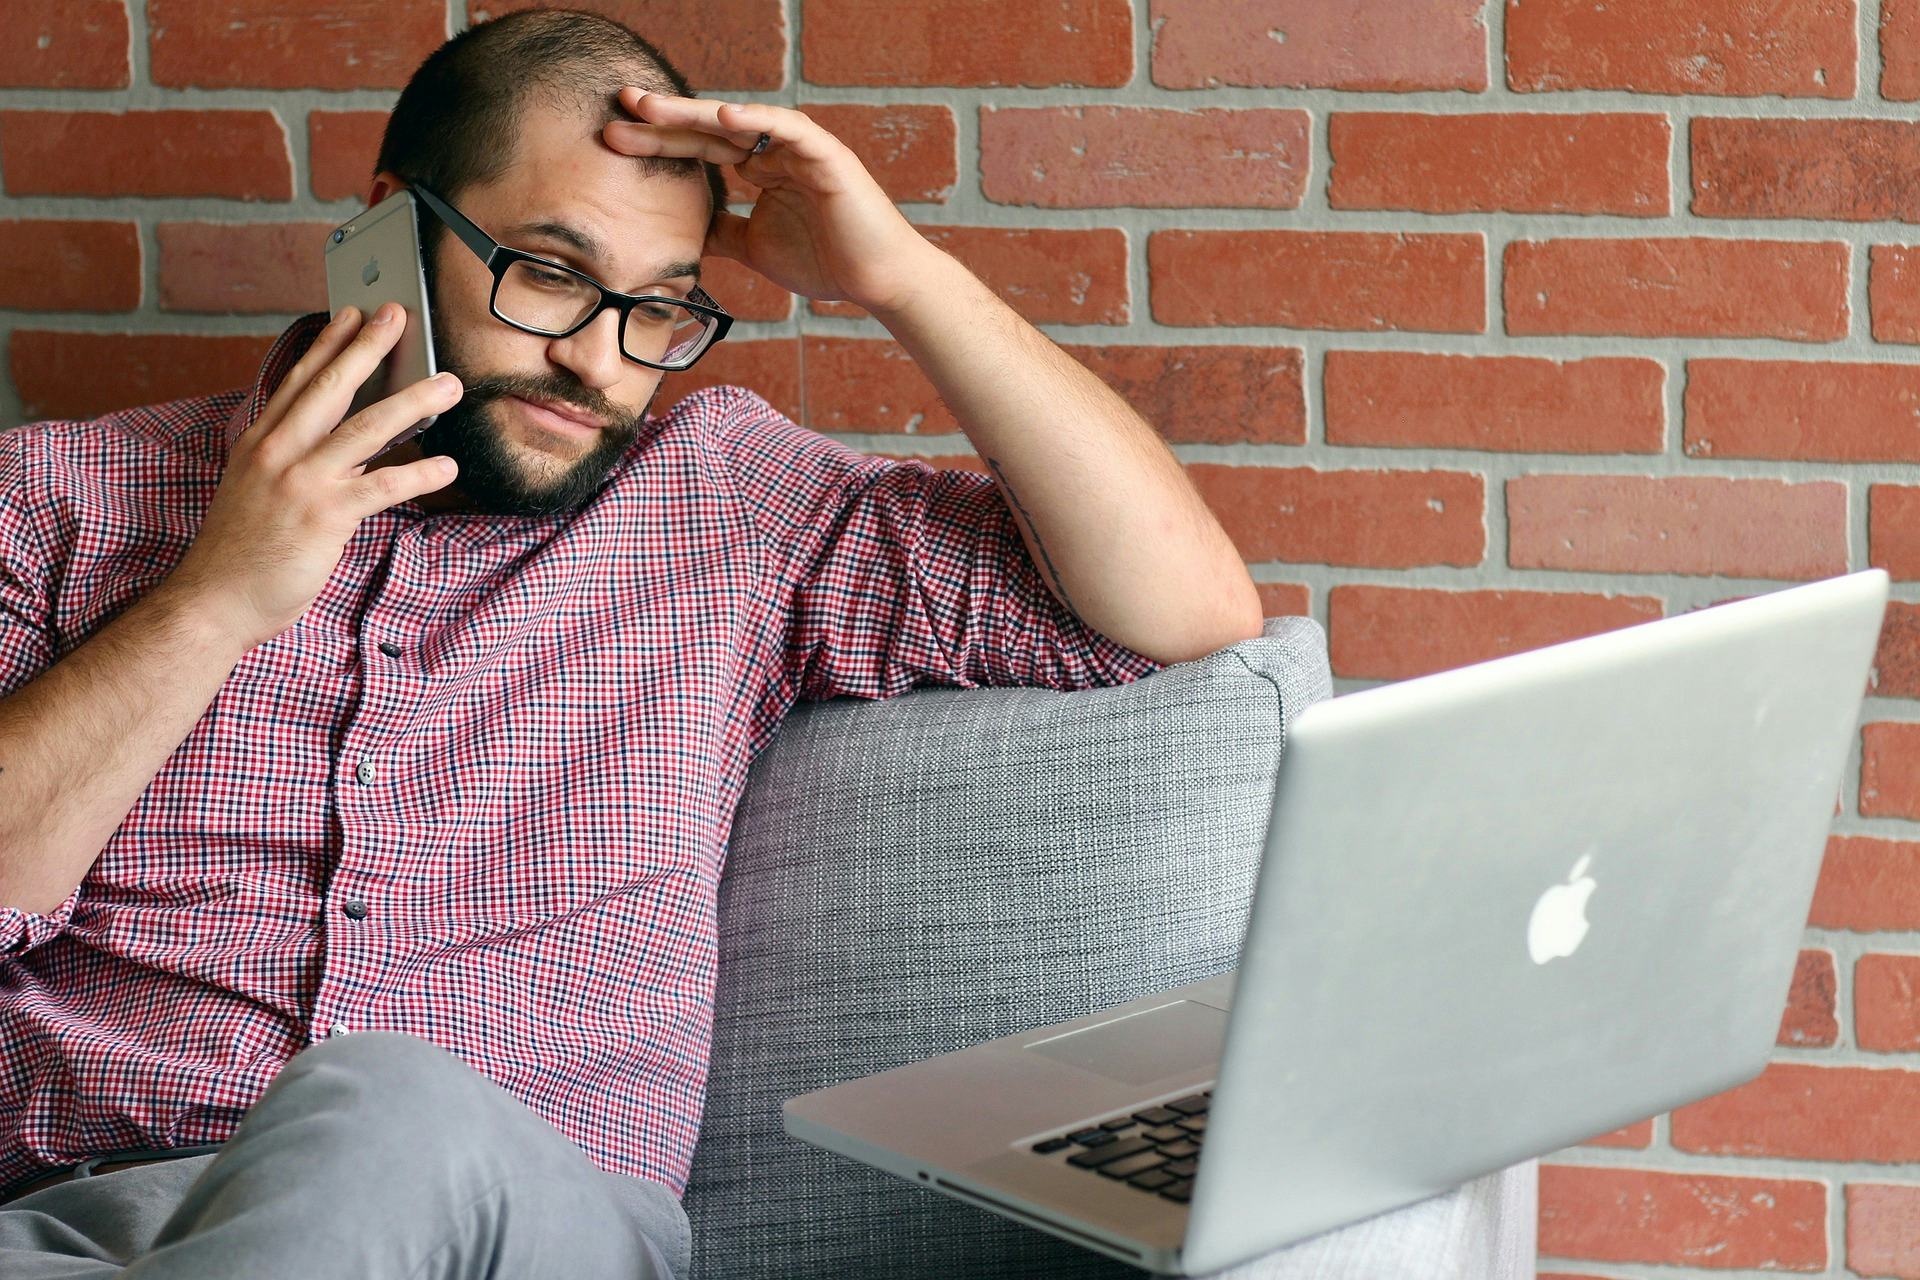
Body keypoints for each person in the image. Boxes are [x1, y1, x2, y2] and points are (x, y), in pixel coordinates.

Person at [0, 8, 1262, 1277]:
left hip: (515, 1224)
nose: (597, 363)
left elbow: (1181, 611)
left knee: (381, 1106)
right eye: (548, 273)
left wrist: (902, 276)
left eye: (658, 310)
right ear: (391, 227)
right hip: (65, 1223)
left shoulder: (728, 509)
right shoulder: (60, 500)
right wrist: (214, 600)